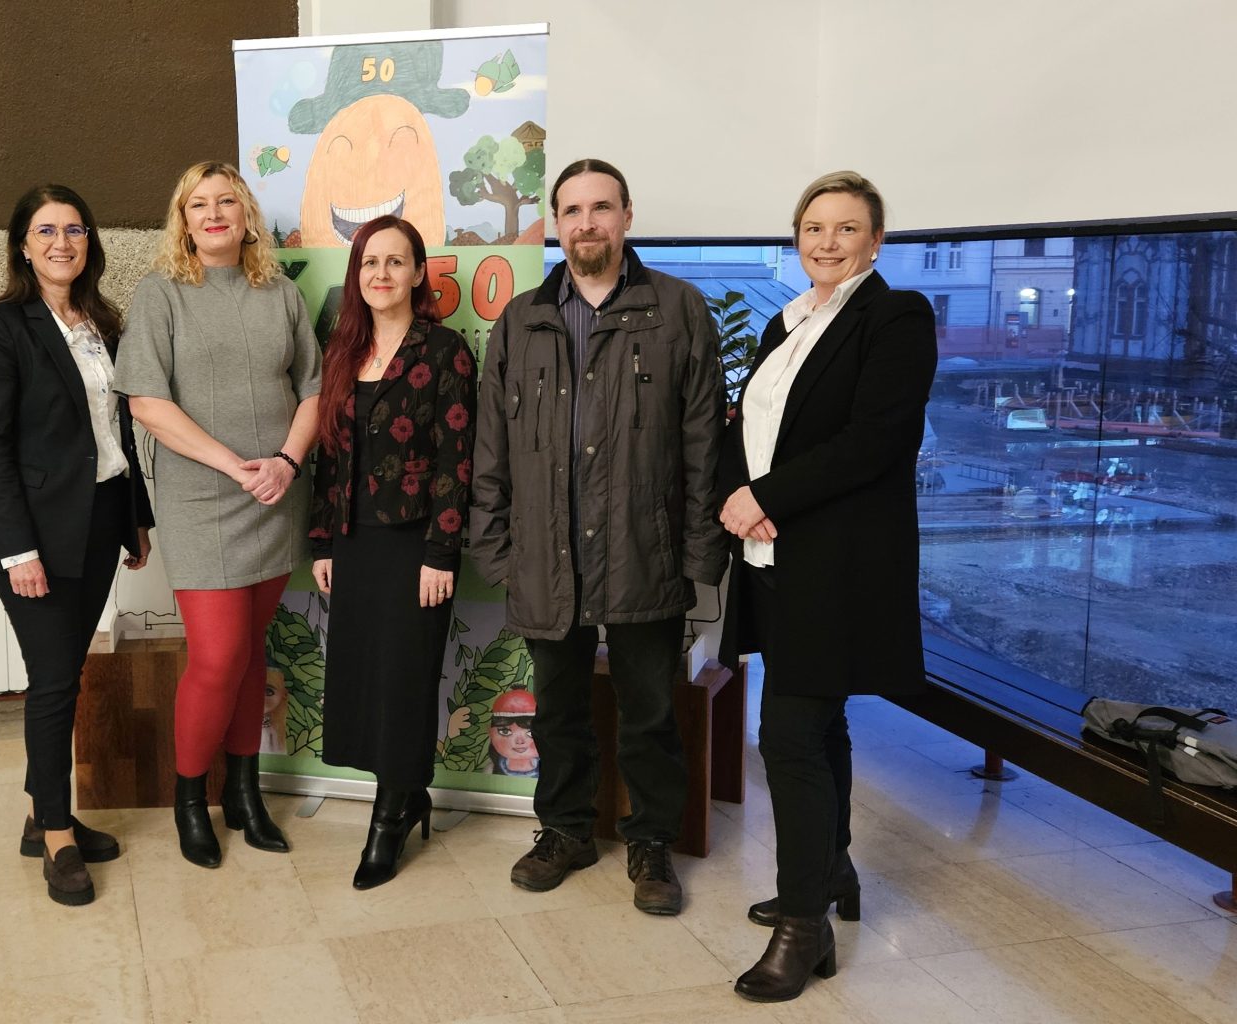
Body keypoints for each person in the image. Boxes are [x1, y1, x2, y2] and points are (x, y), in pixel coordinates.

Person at [471, 158, 727, 916]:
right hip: (545, 557)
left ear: (627, 216)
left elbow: (703, 442)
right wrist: (497, 552)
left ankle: (651, 842)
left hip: (644, 552)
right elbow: (491, 447)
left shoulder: (677, 310)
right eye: (573, 211)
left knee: (650, 712)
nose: (587, 223)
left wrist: (698, 555)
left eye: (601, 208)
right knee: (559, 711)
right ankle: (566, 831)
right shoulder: (521, 320)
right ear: (556, 223)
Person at [718, 171, 937, 1002]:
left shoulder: (896, 317)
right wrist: (738, 497)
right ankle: (832, 869)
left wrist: (767, 498)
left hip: (837, 567)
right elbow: (750, 428)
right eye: (814, 227)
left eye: (847, 228)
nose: (827, 241)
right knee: (820, 726)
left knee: (787, 737)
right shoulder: (786, 323)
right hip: (774, 561)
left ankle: (803, 927)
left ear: (875, 242)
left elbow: (877, 439)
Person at [115, 161, 322, 869]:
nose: (213, 214)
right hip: (202, 500)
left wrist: (285, 463)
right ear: (183, 220)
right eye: (197, 204)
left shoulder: (281, 294)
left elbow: (313, 390)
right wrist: (235, 466)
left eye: (225, 201)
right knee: (218, 656)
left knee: (252, 651)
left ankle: (244, 793)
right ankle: (190, 800)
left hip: (275, 494)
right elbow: (147, 403)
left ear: (246, 215)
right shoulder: (161, 293)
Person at [0, 184, 155, 906]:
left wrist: (136, 515)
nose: (61, 243)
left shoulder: (103, 323)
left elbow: (117, 432)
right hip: (37, 536)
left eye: (74, 229)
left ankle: (37, 814)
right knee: (53, 684)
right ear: (23, 244)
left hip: (102, 519)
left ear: (89, 242)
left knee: (66, 674)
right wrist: (18, 550)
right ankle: (56, 834)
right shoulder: (1, 328)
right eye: (46, 230)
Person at [309, 214, 477, 890]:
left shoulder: (445, 349)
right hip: (353, 542)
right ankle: (407, 793)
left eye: (395, 261)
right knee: (365, 676)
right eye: (369, 262)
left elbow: (458, 458)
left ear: (417, 273)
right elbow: (329, 454)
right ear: (357, 274)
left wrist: (442, 551)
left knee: (406, 679)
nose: (381, 273)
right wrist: (323, 541)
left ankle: (391, 816)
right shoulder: (342, 349)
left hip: (416, 544)